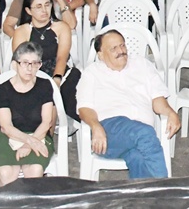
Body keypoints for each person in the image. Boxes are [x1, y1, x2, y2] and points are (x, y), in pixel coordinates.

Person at [76, 30, 181, 179]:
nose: (121, 51)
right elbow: (84, 108)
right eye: (113, 48)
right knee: (143, 133)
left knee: (137, 157)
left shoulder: (142, 64)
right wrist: (95, 126)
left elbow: (158, 98)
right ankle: (165, 189)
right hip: (109, 132)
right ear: (100, 54)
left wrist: (171, 113)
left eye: (122, 45)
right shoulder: (91, 73)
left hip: (141, 133)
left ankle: (142, 198)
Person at [0, 42, 56, 187]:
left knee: (35, 170)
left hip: (39, 135)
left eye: (35, 63)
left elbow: (46, 123)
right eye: (25, 63)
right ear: (15, 65)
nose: (30, 68)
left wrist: (28, 145)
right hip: (6, 137)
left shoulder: (45, 85)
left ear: (39, 65)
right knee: (6, 173)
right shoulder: (3, 89)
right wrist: (30, 142)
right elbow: (6, 127)